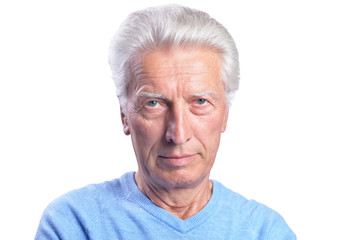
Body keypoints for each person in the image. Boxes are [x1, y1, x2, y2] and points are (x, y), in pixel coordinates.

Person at [35, 4, 296, 239]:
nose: (178, 134)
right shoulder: (74, 224)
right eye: (154, 104)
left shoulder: (265, 231)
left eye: (200, 102)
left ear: (225, 113)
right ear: (124, 115)